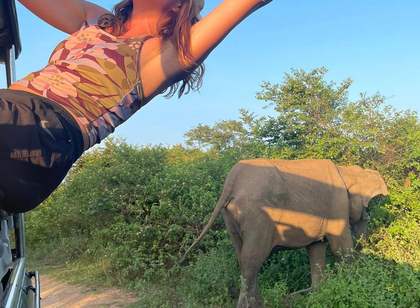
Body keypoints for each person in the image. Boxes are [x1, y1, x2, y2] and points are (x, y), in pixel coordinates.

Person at [0, 0, 273, 214]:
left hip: (44, 131)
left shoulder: (164, 54)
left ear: (179, 4)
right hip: (12, 115)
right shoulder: (93, 20)